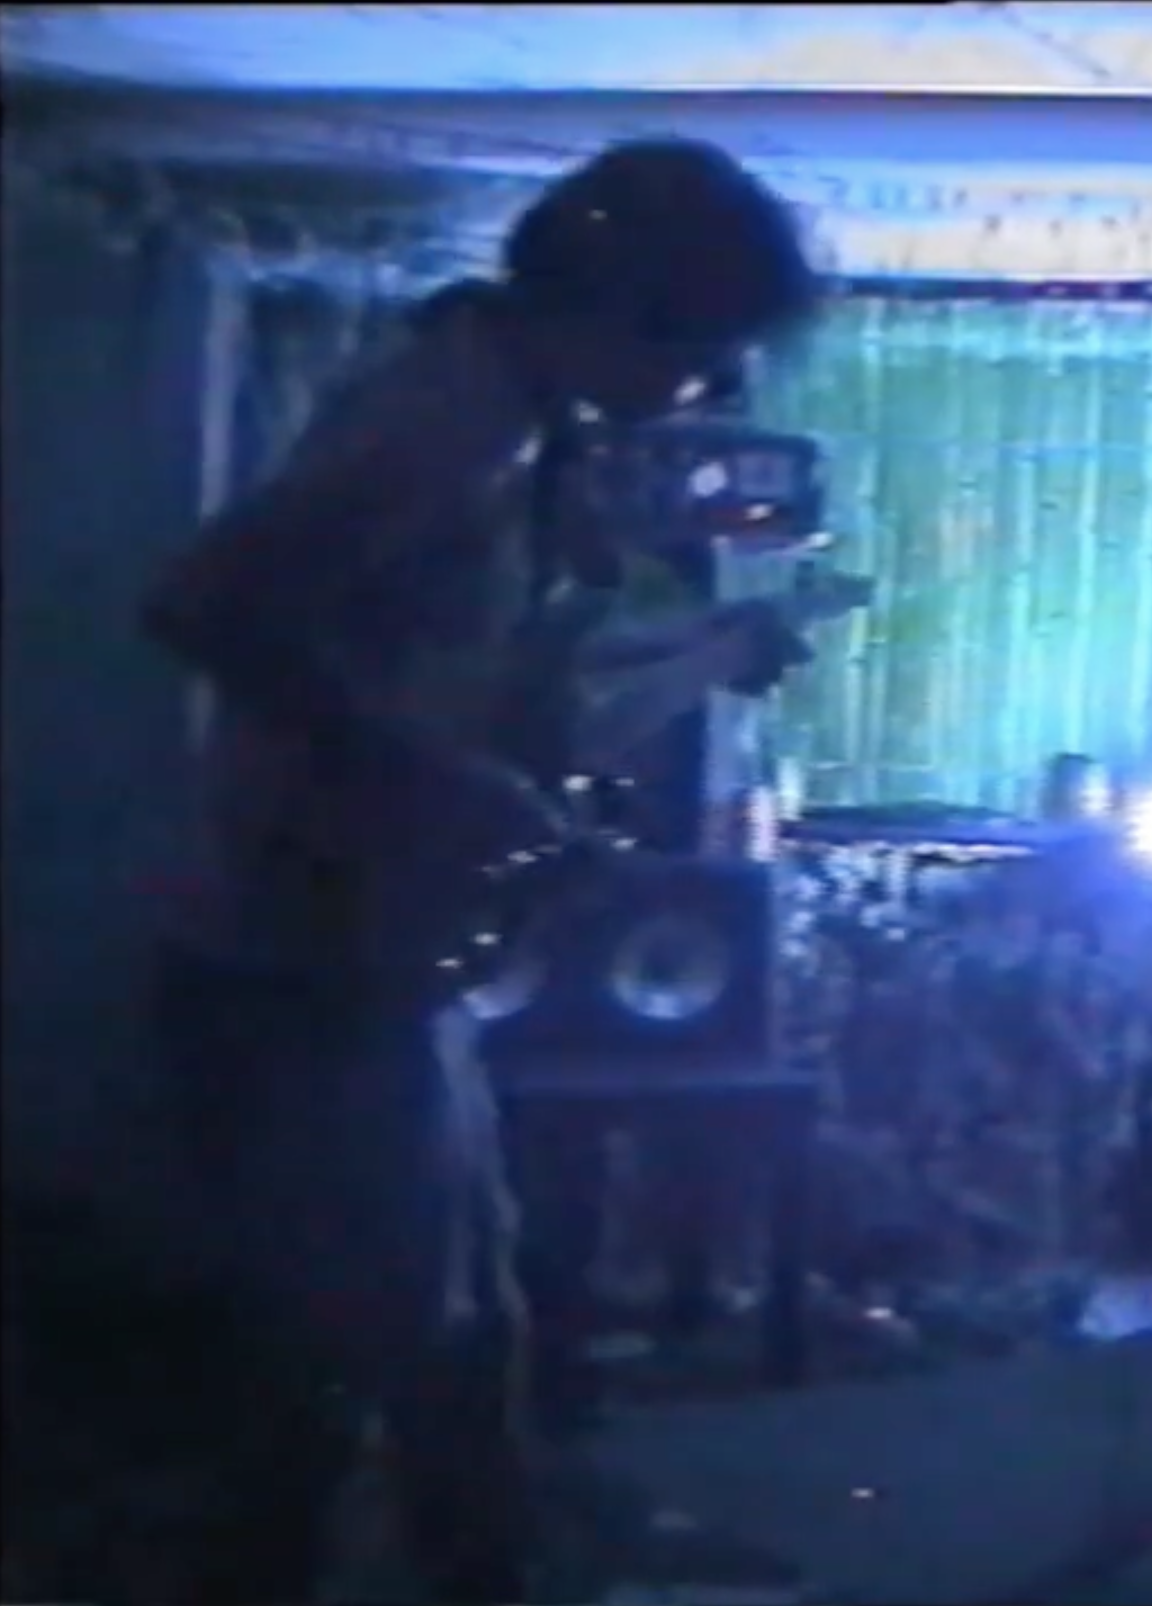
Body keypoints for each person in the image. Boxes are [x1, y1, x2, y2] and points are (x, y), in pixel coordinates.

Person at [139, 138, 824, 1601]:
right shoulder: (450, 423)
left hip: (374, 961)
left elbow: (480, 690)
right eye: (701, 347)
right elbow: (205, 603)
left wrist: (693, 660)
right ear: (628, 305)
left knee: (457, 1335)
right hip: (302, 965)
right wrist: (439, 787)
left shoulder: (513, 424)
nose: (707, 385)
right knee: (349, 1365)